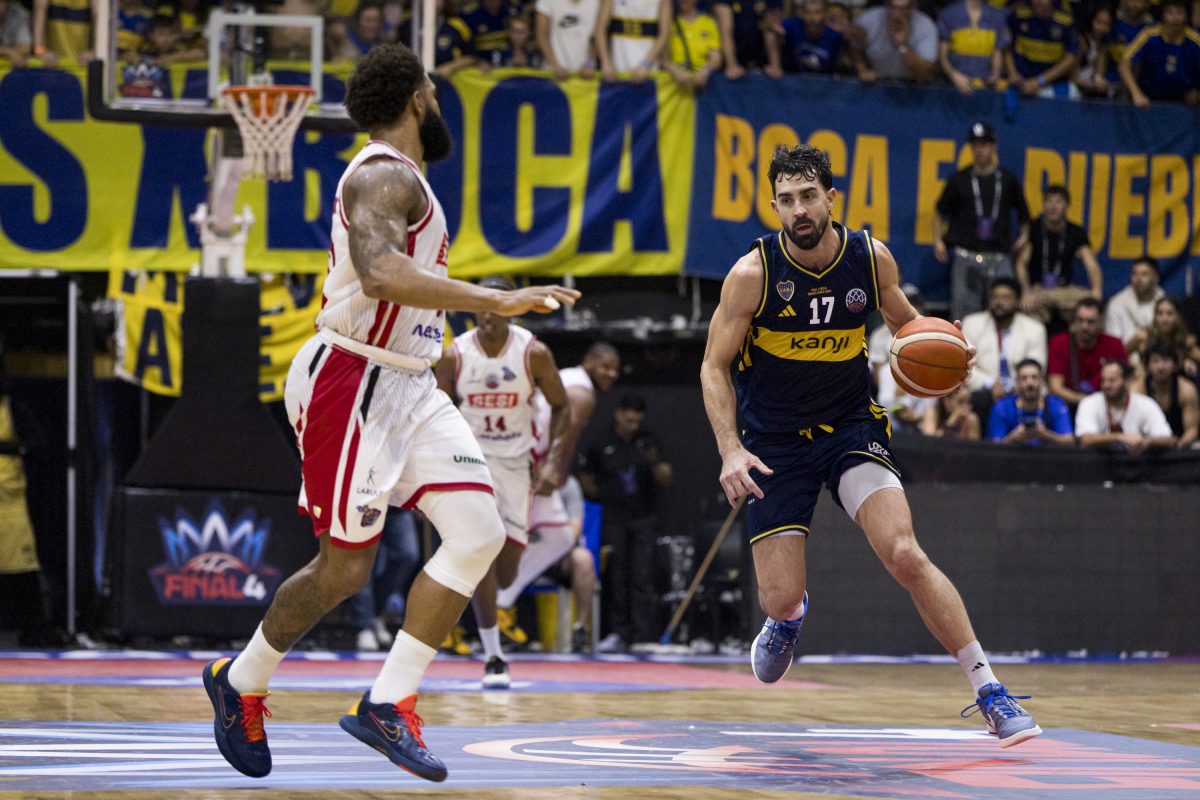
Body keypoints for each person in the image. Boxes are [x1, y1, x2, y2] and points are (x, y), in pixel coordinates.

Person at [201, 43, 579, 783]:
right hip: (352, 377)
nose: (437, 103)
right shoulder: (380, 173)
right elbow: (378, 273)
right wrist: (494, 298)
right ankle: (240, 680)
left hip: (410, 381)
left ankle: (388, 700)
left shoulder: (411, 182)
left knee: (479, 532)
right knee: (345, 569)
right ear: (416, 98)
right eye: (433, 92)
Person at [699, 143, 1041, 748]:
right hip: (773, 443)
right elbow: (712, 366)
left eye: (809, 196)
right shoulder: (752, 275)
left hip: (849, 427)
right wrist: (730, 449)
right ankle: (789, 617)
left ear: (831, 198)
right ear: (774, 207)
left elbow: (907, 327)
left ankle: (990, 690)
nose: (799, 210)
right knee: (779, 595)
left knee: (904, 552)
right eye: (786, 200)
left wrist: (946, 351)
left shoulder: (868, 257)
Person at [434, 276, 571, 690]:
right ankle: (493, 654)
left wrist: (552, 462)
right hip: (470, 462)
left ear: (512, 309)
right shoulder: (455, 355)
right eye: (482, 306)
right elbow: (435, 412)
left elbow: (563, 407)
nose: (487, 315)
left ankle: (487, 629)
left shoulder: (534, 353)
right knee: (481, 554)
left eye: (496, 307)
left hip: (516, 465)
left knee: (506, 573)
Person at [494, 343, 620, 648]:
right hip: (529, 462)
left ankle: (501, 600)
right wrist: (554, 471)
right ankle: (488, 603)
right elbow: (566, 434)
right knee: (501, 537)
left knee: (560, 537)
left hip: (524, 456)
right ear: (589, 361)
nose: (611, 373)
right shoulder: (582, 392)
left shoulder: (569, 378)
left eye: (615, 369)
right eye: (605, 366)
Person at [580, 392, 672, 652]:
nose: (633, 426)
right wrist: (605, 496)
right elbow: (586, 480)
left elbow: (666, 479)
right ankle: (618, 633)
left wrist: (653, 461)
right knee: (616, 576)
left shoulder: (648, 442)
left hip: (644, 518)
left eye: (637, 422)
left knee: (643, 576)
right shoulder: (601, 442)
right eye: (628, 421)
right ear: (618, 415)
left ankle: (643, 635)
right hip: (613, 518)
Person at [934, 122, 1031, 324]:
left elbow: (1024, 213)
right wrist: (938, 240)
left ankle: (1003, 344)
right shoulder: (959, 179)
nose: (980, 150)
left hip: (999, 256)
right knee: (963, 314)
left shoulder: (1007, 179)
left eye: (984, 145)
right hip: (966, 255)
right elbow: (940, 211)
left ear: (994, 147)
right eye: (976, 145)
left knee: (1005, 312)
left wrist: (1024, 236)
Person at [1014, 185, 1104, 328]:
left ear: (1067, 206)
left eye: (1058, 202)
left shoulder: (1076, 231)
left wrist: (1096, 291)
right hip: (1039, 290)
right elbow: (1021, 264)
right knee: (1027, 313)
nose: (1053, 207)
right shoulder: (1034, 228)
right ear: (1043, 205)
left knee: (1092, 311)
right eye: (1049, 201)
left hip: (1065, 291)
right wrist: (1026, 291)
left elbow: (1092, 265)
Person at [960, 277, 1047, 424]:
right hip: (985, 389)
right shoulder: (972, 323)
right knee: (977, 400)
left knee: (1040, 397)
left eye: (1006, 298)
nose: (999, 302)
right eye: (995, 297)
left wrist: (1013, 385)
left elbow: (1036, 365)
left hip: (1022, 386)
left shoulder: (1035, 329)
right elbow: (964, 365)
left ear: (1017, 301)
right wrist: (991, 384)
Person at [351, 508, 422, 651]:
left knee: (407, 555)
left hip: (397, 504)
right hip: (364, 503)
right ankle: (364, 625)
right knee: (362, 561)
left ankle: (376, 613)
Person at [1076, 360, 1176, 452]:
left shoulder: (1146, 404)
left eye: (1112, 380)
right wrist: (1119, 437)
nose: (1106, 385)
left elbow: (1169, 439)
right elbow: (1085, 439)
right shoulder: (1089, 403)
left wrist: (1147, 441)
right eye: (1103, 380)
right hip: (1098, 463)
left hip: (1136, 462)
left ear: (1127, 381)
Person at [1046, 297, 1126, 410]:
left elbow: (1126, 381)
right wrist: (1088, 402)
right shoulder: (1059, 343)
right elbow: (1055, 387)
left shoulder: (1114, 344)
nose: (1084, 327)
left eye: (1090, 322)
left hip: (1109, 407)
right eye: (1080, 321)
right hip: (1070, 406)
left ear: (1101, 321)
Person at [1119, 0, 1200, 108]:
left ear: (1186, 16)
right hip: (1149, 101)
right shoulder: (1149, 35)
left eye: (1179, 13)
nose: (1175, 18)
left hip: (1185, 104)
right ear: (1163, 15)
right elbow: (1124, 63)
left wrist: (1197, 89)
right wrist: (1136, 93)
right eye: (1170, 13)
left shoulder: (1195, 39)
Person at [986, 358, 1075, 445]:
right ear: (1017, 382)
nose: (1030, 383)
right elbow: (993, 447)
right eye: (1024, 378)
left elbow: (1069, 441)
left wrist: (1044, 434)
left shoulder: (1056, 405)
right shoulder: (1002, 407)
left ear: (1042, 381)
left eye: (1034, 377)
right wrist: (1013, 438)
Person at [1004, 0, 1081, 99]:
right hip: (1020, 82)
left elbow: (1070, 57)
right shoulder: (1018, 16)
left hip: (1053, 84)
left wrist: (1039, 81)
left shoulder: (1066, 23)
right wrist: (1012, 73)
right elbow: (1006, 47)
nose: (1039, 1)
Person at [852, 0, 940, 83]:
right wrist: (863, 70)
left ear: (913, 8)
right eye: (893, 7)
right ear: (887, 6)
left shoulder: (926, 27)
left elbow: (924, 73)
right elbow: (856, 48)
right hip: (878, 82)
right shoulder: (869, 19)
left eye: (903, 9)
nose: (897, 14)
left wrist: (902, 46)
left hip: (913, 84)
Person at [937, 0, 1010, 94]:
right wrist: (954, 75)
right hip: (953, 87)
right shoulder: (948, 15)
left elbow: (997, 51)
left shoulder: (998, 16)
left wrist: (996, 74)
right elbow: (943, 56)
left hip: (985, 87)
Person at [595, 0, 672, 82]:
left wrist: (646, 64)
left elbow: (664, 34)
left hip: (648, 71)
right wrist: (605, 62)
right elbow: (600, 30)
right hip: (617, 71)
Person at [1143, 343, 1199, 447]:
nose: (1160, 367)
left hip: (1179, 445)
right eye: (1155, 361)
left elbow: (1192, 430)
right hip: (1146, 447)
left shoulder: (1186, 390)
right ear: (1147, 366)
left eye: (1165, 360)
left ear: (1175, 365)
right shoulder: (1139, 390)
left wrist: (1177, 447)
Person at [1105, 257, 1165, 353]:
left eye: (1144, 274)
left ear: (1155, 278)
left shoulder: (1164, 303)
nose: (1138, 279)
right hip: (1126, 360)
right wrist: (1136, 340)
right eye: (1134, 274)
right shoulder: (1117, 304)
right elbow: (1113, 351)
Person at [536, 0, 601, 80]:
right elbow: (541, 35)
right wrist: (554, 65)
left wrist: (590, 63)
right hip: (552, 73)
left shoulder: (597, 2)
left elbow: (599, 34)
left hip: (586, 75)